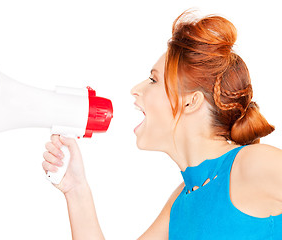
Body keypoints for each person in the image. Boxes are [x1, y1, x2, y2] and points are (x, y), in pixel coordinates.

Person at [42, 10, 282, 239]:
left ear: (190, 102)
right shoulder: (181, 200)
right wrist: (76, 188)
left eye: (153, 80)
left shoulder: (252, 163)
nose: (136, 89)